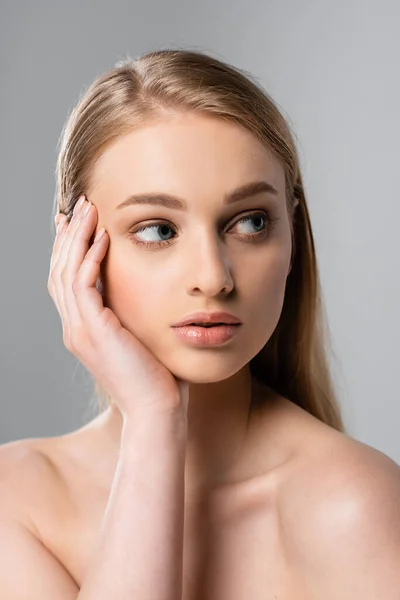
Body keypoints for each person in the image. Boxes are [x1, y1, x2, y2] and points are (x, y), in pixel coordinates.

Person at [0, 48, 399, 599]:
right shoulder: (15, 501)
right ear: (75, 249)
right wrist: (155, 418)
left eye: (250, 222)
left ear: (292, 238)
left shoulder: (354, 506)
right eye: (158, 229)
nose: (213, 278)